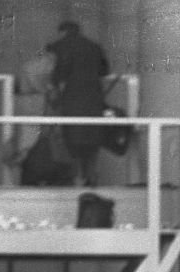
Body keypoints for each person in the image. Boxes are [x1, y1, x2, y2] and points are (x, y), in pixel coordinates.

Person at [46, 21, 109, 186]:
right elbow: (104, 71)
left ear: (62, 32)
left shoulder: (59, 46)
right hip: (94, 99)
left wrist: (54, 93)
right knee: (92, 140)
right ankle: (91, 177)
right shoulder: (94, 47)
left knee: (71, 140)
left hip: (72, 99)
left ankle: (76, 178)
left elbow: (57, 73)